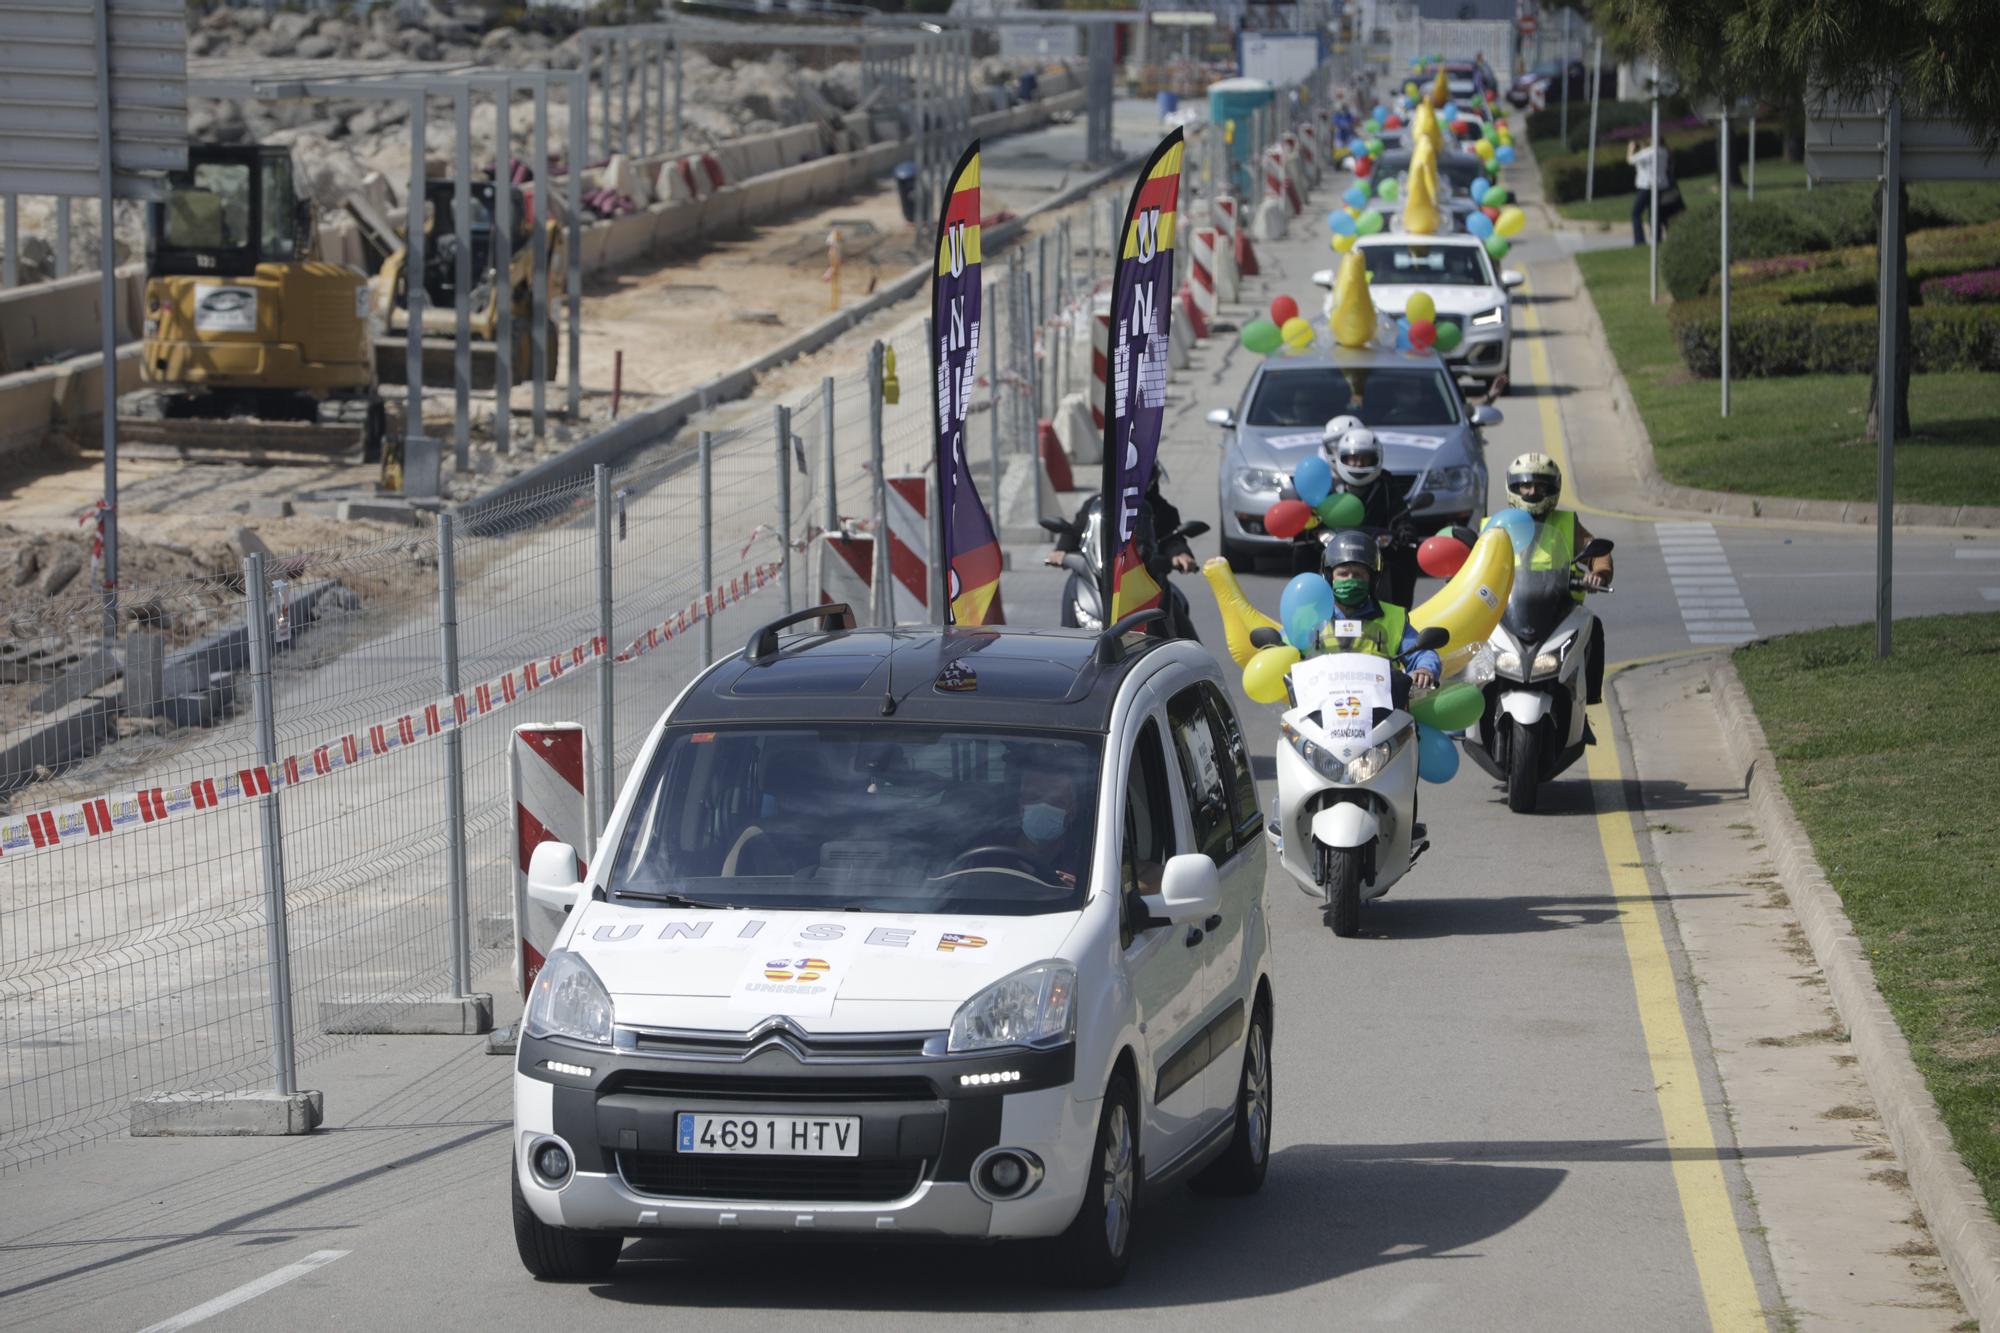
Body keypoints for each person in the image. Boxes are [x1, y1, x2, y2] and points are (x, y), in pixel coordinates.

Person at [1499, 452, 1613, 705]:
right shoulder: (1497, 524)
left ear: (1553, 489)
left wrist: (1598, 574)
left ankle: (1590, 698)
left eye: (1540, 485)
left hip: (1559, 611)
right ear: (1513, 487)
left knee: (1593, 627)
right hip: (1506, 612)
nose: (1531, 491)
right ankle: (1467, 717)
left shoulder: (1567, 522)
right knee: (1471, 642)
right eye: (1525, 485)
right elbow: (1474, 559)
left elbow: (1597, 552)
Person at [1310, 528, 1441, 699]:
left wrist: (1424, 669)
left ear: (1371, 580)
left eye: (1358, 575)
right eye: (1343, 574)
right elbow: (1286, 647)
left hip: (1382, 710)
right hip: (1320, 708)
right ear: (1329, 578)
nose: (1350, 579)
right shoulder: (1311, 618)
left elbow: (1422, 653)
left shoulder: (1393, 618)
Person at [1311, 420, 1420, 605]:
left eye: (1365, 458)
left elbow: (1400, 515)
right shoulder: (1329, 485)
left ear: (1376, 458)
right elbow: (1317, 515)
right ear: (1341, 458)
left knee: (1405, 559)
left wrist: (1404, 530)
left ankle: (1399, 611)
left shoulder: (1386, 483)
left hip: (1378, 555)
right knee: (1303, 553)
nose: (1358, 463)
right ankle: (1310, 608)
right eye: (1352, 458)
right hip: (1336, 555)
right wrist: (1313, 530)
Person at [1627, 136, 1672, 246]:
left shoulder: (1647, 153)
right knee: (1654, 213)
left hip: (1647, 187)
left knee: (1636, 213)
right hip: (1661, 187)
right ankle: (1657, 238)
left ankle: (1639, 241)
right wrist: (1643, 148)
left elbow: (1630, 160)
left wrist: (1631, 148)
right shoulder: (1664, 151)